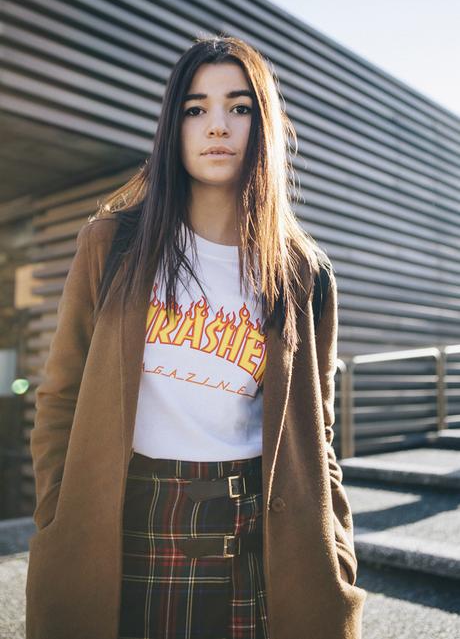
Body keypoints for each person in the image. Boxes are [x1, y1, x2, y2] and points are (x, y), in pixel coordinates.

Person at [25, 35, 366, 639]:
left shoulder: (302, 272)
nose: (217, 126)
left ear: (263, 126)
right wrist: (57, 515)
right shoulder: (114, 244)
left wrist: (335, 543)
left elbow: (320, 433)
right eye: (195, 108)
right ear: (172, 126)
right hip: (130, 525)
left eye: (238, 107)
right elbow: (59, 397)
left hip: (257, 531)